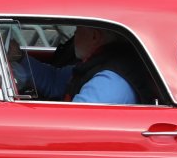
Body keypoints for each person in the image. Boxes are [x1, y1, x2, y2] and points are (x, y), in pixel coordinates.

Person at [9, 25, 147, 105]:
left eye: (78, 29)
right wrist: (20, 58)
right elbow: (55, 80)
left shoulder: (107, 84)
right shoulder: (99, 63)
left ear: (95, 36)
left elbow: (70, 125)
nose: (75, 34)